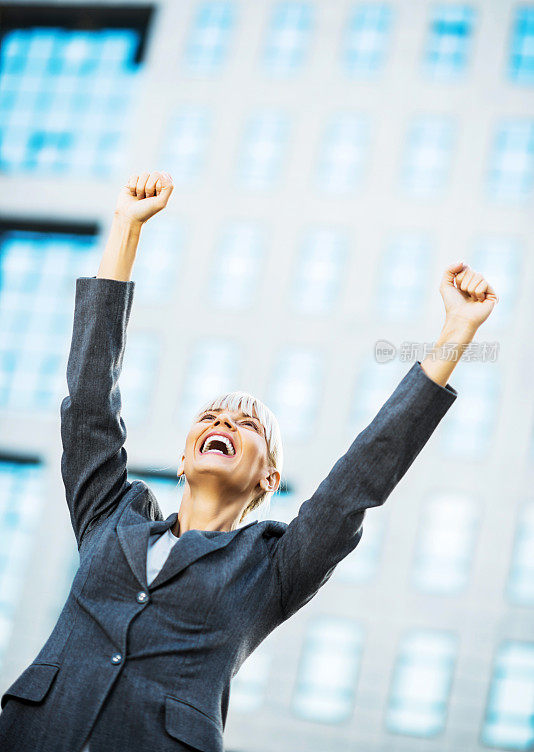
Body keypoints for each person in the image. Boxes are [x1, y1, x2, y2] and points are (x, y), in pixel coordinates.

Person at [0, 171, 498, 752]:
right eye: (210, 416)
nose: (223, 423)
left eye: (247, 423)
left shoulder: (272, 567)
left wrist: (457, 331)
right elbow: (89, 400)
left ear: (270, 476)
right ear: (183, 460)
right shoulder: (110, 516)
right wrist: (125, 229)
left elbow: (357, 480)